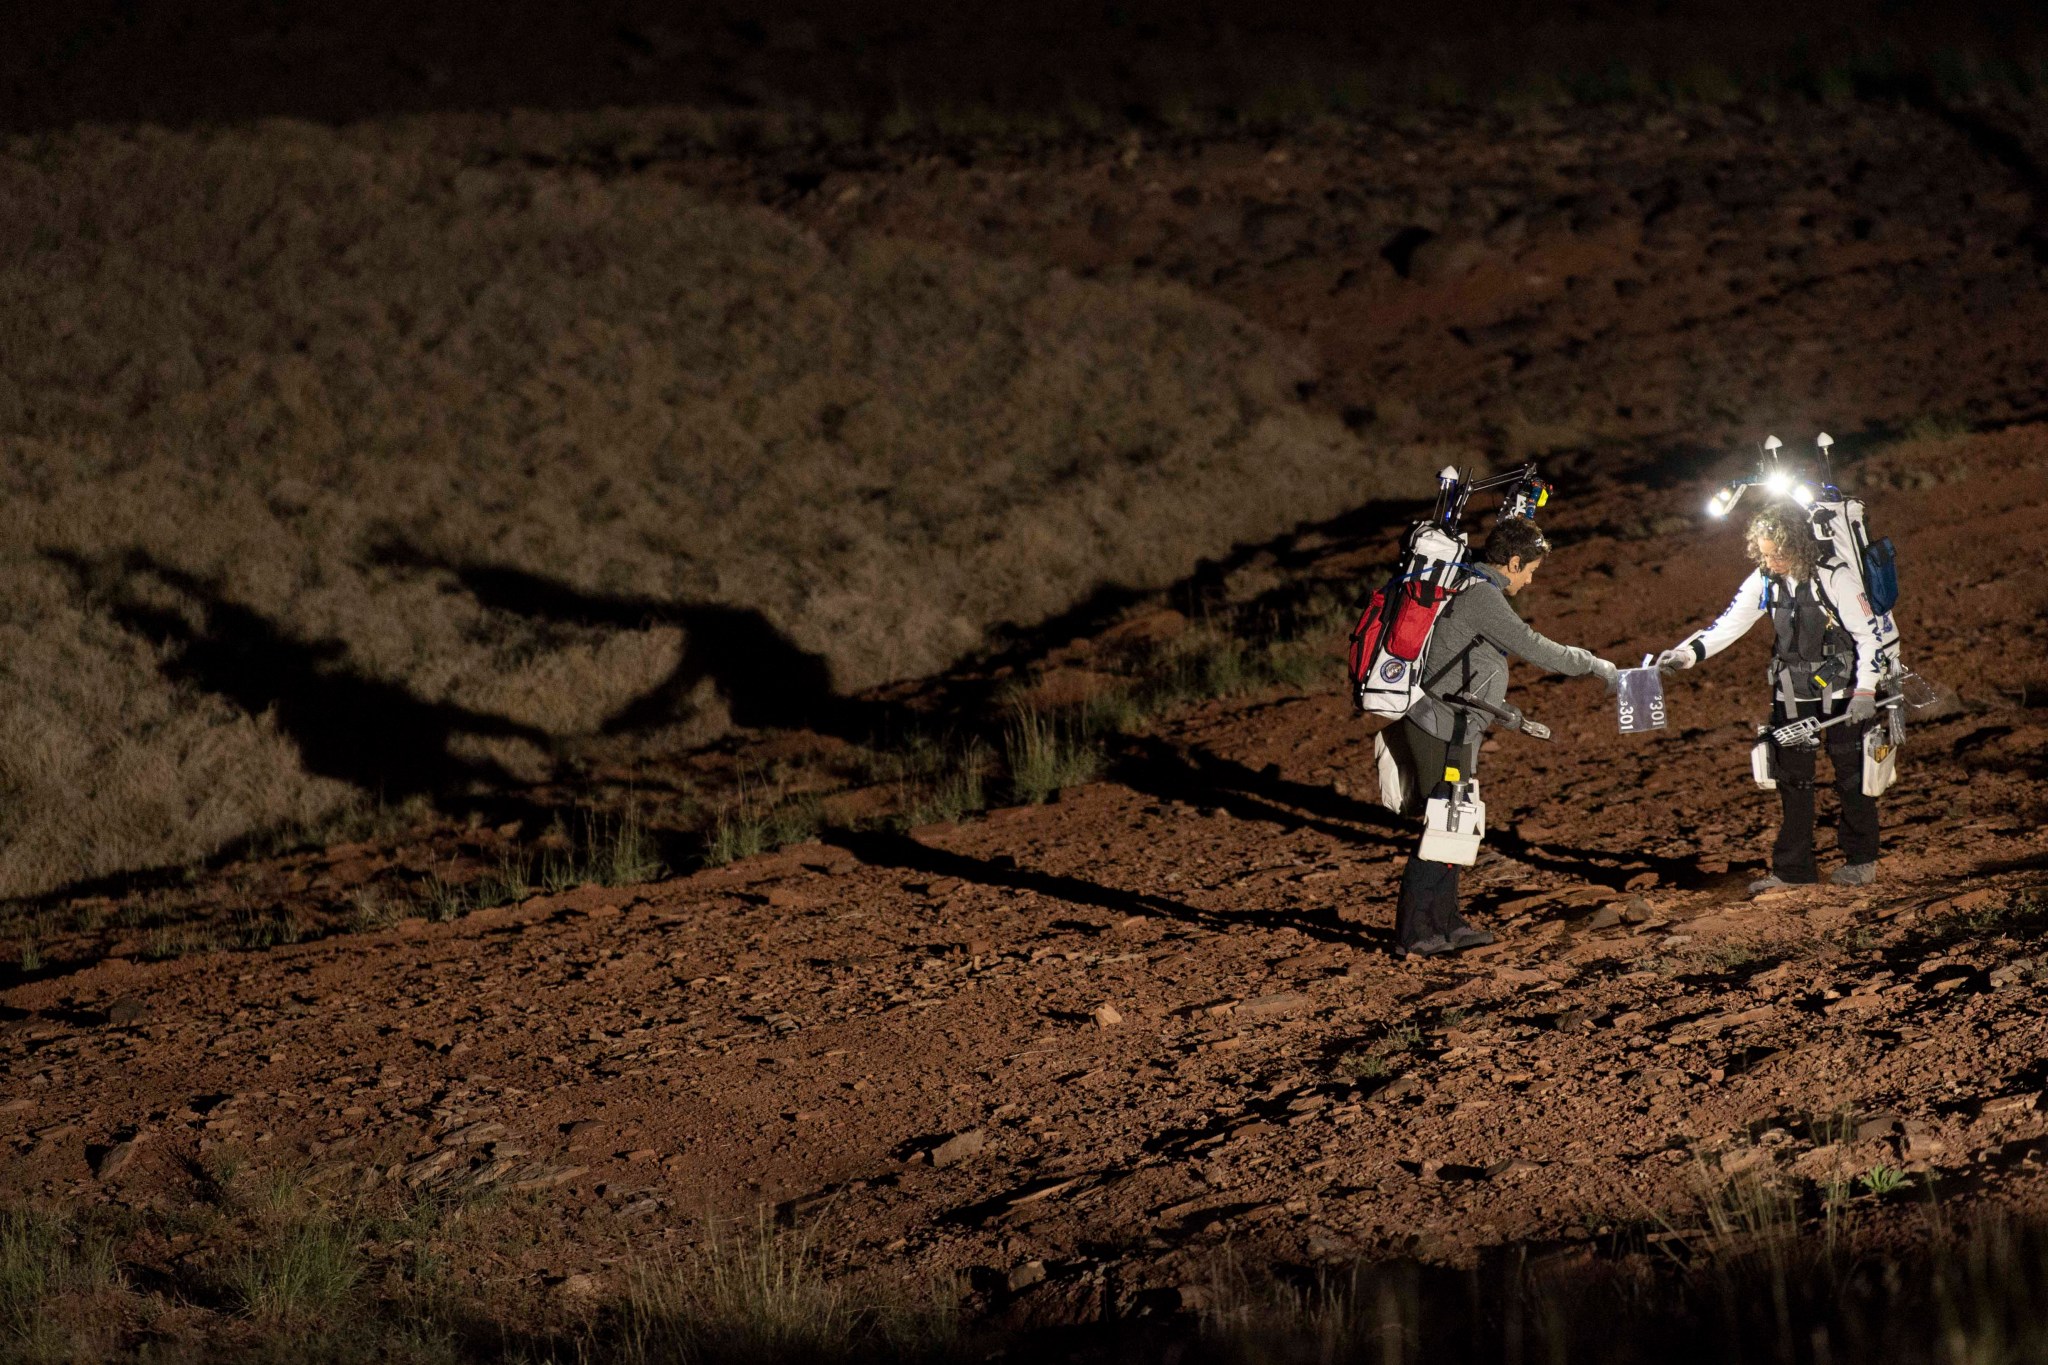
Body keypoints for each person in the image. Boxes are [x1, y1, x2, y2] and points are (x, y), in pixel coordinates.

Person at [1381, 517, 1619, 959]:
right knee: (1442, 825)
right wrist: (1593, 664)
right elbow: (1534, 646)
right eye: (1529, 570)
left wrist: (1507, 715)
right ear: (1512, 561)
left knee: (1457, 822)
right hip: (1439, 726)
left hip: (1457, 725)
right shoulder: (1481, 596)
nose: (1530, 579)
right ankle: (1414, 933)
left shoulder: (1472, 584)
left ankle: (1446, 922)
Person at [1655, 502, 1897, 892]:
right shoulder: (1764, 579)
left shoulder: (1835, 579)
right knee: (1792, 781)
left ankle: (1861, 860)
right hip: (1791, 692)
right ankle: (1793, 871)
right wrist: (1687, 654)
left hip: (1845, 690)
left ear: (1799, 545)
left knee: (1852, 776)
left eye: (1778, 553)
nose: (1771, 561)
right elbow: (1729, 623)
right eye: (1765, 553)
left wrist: (1866, 690)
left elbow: (1870, 637)